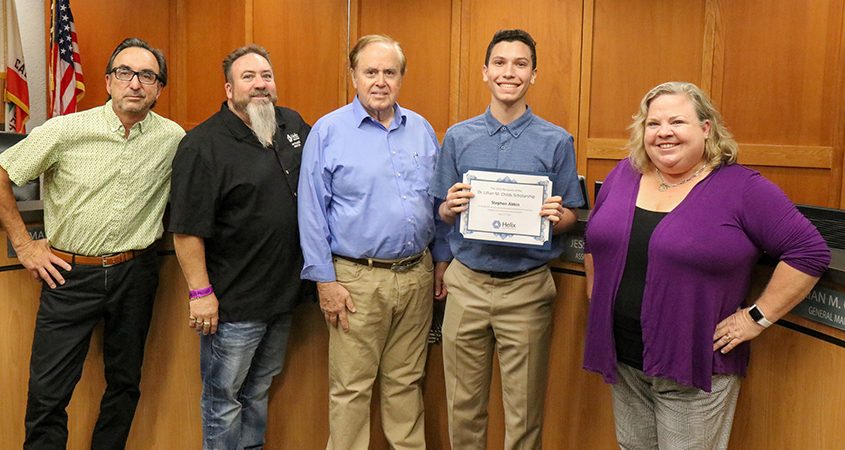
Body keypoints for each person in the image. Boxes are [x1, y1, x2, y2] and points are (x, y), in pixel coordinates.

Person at [582, 81, 830, 449]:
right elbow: (596, 242)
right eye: (653, 124)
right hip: (625, 360)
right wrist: (597, 297)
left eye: (677, 122)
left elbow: (809, 252)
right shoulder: (625, 174)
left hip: (693, 367)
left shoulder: (741, 188)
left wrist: (755, 317)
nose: (664, 132)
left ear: (705, 128)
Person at [0, 38, 184, 449]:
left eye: (147, 76)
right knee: (48, 394)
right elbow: (3, 173)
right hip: (69, 277)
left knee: (125, 385)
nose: (135, 83)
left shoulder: (173, 138)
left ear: (158, 87)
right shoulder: (66, 130)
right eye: (125, 72)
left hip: (136, 274)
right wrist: (25, 244)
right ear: (108, 81)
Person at [430, 29, 584, 449]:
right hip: (467, 286)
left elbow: (572, 213)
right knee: (463, 410)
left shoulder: (556, 140)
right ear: (485, 71)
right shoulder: (458, 137)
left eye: (520, 64)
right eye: (500, 63)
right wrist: (450, 205)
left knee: (524, 415)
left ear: (533, 74)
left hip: (528, 289)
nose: (509, 72)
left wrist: (558, 217)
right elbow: (440, 213)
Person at [298, 34, 450, 449]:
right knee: (351, 388)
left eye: (389, 72)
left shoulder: (420, 130)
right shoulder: (328, 132)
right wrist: (324, 282)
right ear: (353, 76)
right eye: (370, 72)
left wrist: (440, 260)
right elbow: (310, 212)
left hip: (416, 275)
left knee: (406, 382)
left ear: (401, 77)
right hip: (355, 281)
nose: (380, 81)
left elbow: (436, 202)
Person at [169, 44, 312, 449]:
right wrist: (200, 294)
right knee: (223, 400)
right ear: (229, 89)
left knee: (258, 390)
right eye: (248, 77)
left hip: (283, 297)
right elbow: (185, 230)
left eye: (266, 76)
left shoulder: (292, 124)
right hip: (232, 305)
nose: (259, 84)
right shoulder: (203, 145)